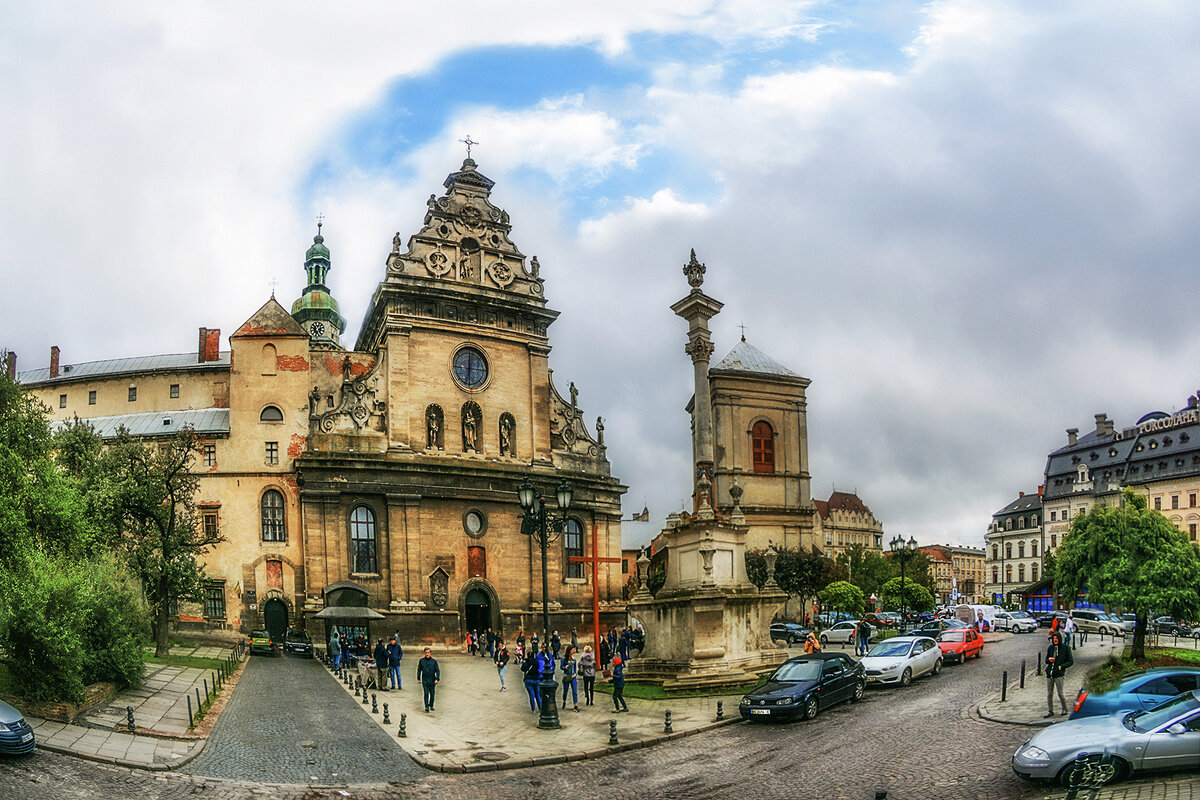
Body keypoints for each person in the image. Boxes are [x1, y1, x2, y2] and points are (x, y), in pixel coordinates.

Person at [1045, 632, 1074, 718]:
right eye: (1054, 640)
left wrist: (1061, 667)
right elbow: (1046, 660)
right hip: (1050, 674)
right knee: (1049, 693)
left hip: (1059, 674)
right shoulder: (1050, 648)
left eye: (1056, 639)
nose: (1055, 641)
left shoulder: (1065, 648)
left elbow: (1070, 661)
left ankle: (1064, 709)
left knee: (1060, 693)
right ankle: (1050, 710)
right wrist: (1049, 660)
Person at [417, 647, 440, 712]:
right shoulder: (422, 661)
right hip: (425, 679)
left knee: (432, 694)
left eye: (428, 653)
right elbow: (419, 670)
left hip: (432, 680)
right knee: (426, 693)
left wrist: (437, 679)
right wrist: (418, 678)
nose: (427, 654)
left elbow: (437, 671)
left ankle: (431, 705)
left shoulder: (434, 661)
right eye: (426, 653)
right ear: (424, 653)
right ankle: (426, 706)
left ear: (430, 653)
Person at [560, 646, 579, 712]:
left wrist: (575, 674)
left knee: (575, 691)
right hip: (566, 676)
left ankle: (575, 705)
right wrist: (566, 667)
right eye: (572, 650)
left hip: (573, 676)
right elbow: (561, 667)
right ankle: (564, 702)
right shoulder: (564, 658)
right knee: (565, 690)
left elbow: (575, 667)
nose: (573, 651)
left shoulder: (574, 659)